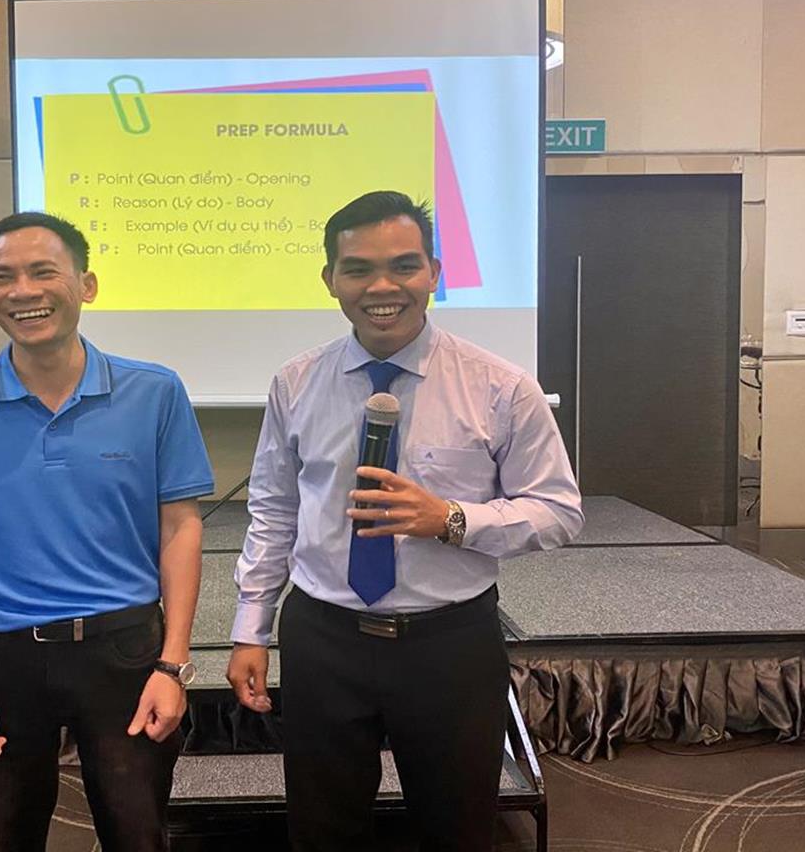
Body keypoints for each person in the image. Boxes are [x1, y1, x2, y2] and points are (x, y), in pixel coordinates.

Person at [227, 191, 582, 850]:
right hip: (324, 636)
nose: (382, 286)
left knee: (458, 827)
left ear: (434, 273)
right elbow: (274, 509)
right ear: (330, 279)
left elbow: (558, 510)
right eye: (358, 268)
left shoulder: (501, 386)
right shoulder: (296, 382)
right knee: (322, 828)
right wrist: (250, 627)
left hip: (449, 642)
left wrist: (450, 518)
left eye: (403, 266)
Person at [0, 212, 213, 852]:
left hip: (124, 651)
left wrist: (172, 666)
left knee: (138, 834)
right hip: (0, 656)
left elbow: (180, 528)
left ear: (86, 284)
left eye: (44, 272)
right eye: (2, 277)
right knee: (1, 836)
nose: (23, 292)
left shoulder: (153, 392)